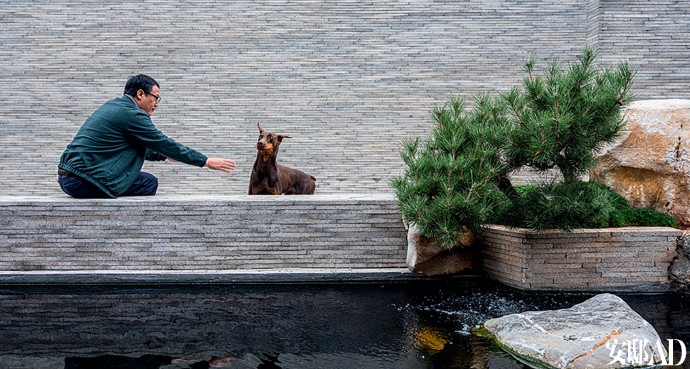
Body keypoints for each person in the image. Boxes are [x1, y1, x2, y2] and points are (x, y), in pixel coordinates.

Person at [57, 74, 236, 198]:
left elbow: (142, 147)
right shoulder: (132, 114)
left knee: (145, 180)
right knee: (148, 183)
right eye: (155, 97)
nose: (156, 104)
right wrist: (206, 161)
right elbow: (161, 142)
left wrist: (165, 155)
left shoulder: (116, 107)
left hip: (71, 177)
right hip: (84, 180)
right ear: (140, 94)